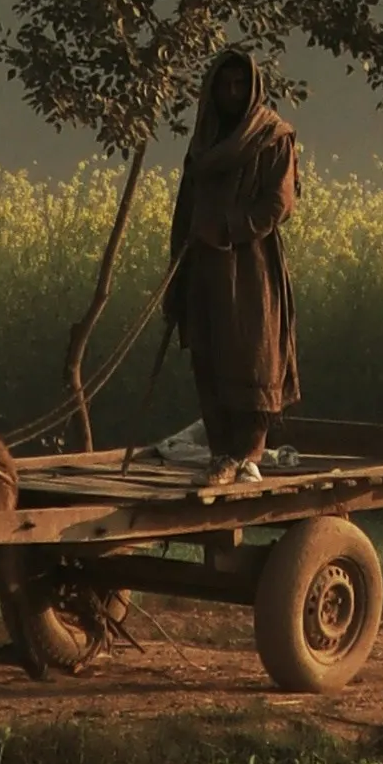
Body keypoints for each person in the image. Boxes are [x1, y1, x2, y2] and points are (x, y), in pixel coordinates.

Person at [162, 44, 301, 485]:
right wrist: (176, 274)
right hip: (203, 267)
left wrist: (225, 227)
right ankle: (222, 455)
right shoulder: (203, 144)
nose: (233, 92)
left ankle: (249, 455)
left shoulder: (273, 136)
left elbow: (278, 205)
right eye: (225, 85)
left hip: (252, 267)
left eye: (241, 84)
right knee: (208, 352)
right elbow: (185, 210)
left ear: (253, 88)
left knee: (254, 356)